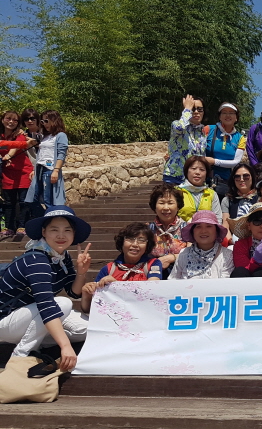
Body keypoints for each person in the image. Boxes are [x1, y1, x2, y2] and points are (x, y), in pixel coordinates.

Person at [0, 205, 92, 370]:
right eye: (54, 230)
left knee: (86, 329)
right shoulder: (37, 260)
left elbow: (73, 292)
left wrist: (81, 272)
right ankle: (20, 355)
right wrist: (65, 346)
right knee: (63, 304)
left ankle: (37, 340)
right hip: (6, 319)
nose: (61, 235)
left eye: (67, 230)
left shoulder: (61, 257)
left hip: (29, 316)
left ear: (74, 233)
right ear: (44, 232)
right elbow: (46, 305)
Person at [80, 222, 163, 314]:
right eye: (130, 239)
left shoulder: (153, 264)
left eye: (141, 240)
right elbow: (88, 309)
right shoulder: (108, 269)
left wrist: (117, 286)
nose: (135, 244)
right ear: (122, 242)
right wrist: (86, 295)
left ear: (147, 245)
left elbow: (151, 289)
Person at [25, 110, 69, 216]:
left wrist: (56, 170)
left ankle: (51, 219)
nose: (44, 124)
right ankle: (46, 218)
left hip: (50, 169)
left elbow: (61, 154)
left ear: (55, 120)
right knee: (32, 199)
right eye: (42, 121)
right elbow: (41, 152)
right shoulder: (45, 136)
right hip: (39, 169)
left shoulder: (61, 135)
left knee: (48, 200)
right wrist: (35, 170)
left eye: (46, 121)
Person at [168, 210, 234, 279]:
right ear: (192, 231)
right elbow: (173, 281)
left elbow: (225, 284)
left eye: (209, 226)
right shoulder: (184, 254)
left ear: (216, 231)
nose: (203, 231)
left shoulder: (227, 256)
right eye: (198, 226)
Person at [1, 111, 34, 236]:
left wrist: (8, 156)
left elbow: (16, 146)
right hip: (7, 173)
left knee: (23, 202)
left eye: (15, 120)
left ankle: (22, 226)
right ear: (2, 120)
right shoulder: (1, 135)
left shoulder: (20, 135)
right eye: (8, 119)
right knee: (8, 202)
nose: (11, 122)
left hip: (23, 172)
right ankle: (9, 227)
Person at [203, 102, 246, 196]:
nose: (228, 115)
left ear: (236, 117)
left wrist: (214, 161)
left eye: (231, 113)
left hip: (225, 183)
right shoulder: (208, 129)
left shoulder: (240, 138)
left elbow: (236, 162)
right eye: (224, 112)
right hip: (204, 179)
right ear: (219, 116)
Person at [163, 94, 207, 185]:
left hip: (194, 179)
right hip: (175, 177)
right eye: (193, 109)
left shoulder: (202, 132)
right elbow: (179, 128)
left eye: (199, 109)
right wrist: (187, 109)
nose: (196, 112)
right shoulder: (177, 124)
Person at [147, 183, 188, 279]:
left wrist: (171, 258)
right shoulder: (147, 230)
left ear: (178, 206)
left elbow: (193, 253)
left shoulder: (187, 228)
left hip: (182, 276)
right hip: (153, 276)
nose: (166, 207)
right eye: (161, 203)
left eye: (170, 203)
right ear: (154, 207)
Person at [176, 156, 222, 223]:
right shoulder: (176, 191)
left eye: (202, 170)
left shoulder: (212, 194)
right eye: (193, 168)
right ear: (186, 171)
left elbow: (218, 219)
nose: (197, 172)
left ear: (206, 174)